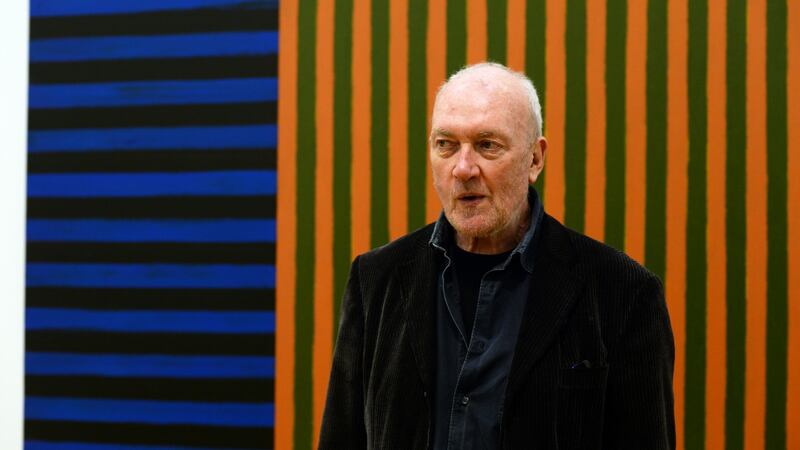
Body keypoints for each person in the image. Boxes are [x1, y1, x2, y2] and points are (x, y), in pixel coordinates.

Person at [318, 62, 675, 449]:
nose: (463, 169)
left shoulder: (623, 293)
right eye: (446, 145)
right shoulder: (376, 279)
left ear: (535, 159)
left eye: (487, 145)